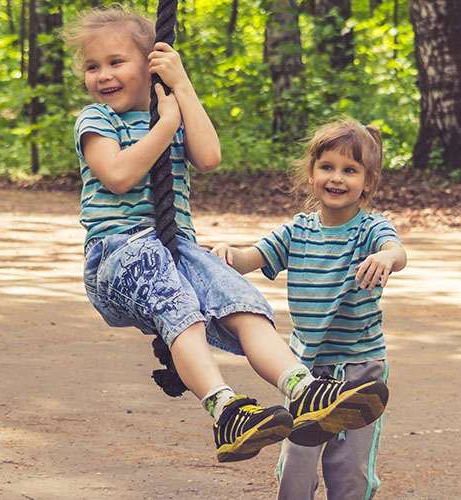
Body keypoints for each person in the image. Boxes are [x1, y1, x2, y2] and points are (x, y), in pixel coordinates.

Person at [63, 6, 389, 464]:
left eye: (116, 62)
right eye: (93, 67)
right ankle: (225, 408)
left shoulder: (170, 109)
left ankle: (305, 390)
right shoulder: (97, 119)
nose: (103, 75)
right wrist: (166, 126)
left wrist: (181, 88)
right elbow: (117, 175)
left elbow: (210, 156)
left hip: (175, 249)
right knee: (182, 312)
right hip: (118, 253)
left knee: (243, 303)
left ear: (152, 63)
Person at [210, 119, 406, 499]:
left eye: (350, 170)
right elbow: (251, 257)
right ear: (312, 172)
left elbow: (395, 251)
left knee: (350, 471)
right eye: (327, 167)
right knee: (296, 464)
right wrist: (226, 254)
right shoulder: (296, 231)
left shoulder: (370, 229)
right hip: (305, 371)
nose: (337, 178)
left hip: (360, 368)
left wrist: (387, 259)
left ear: (368, 181)